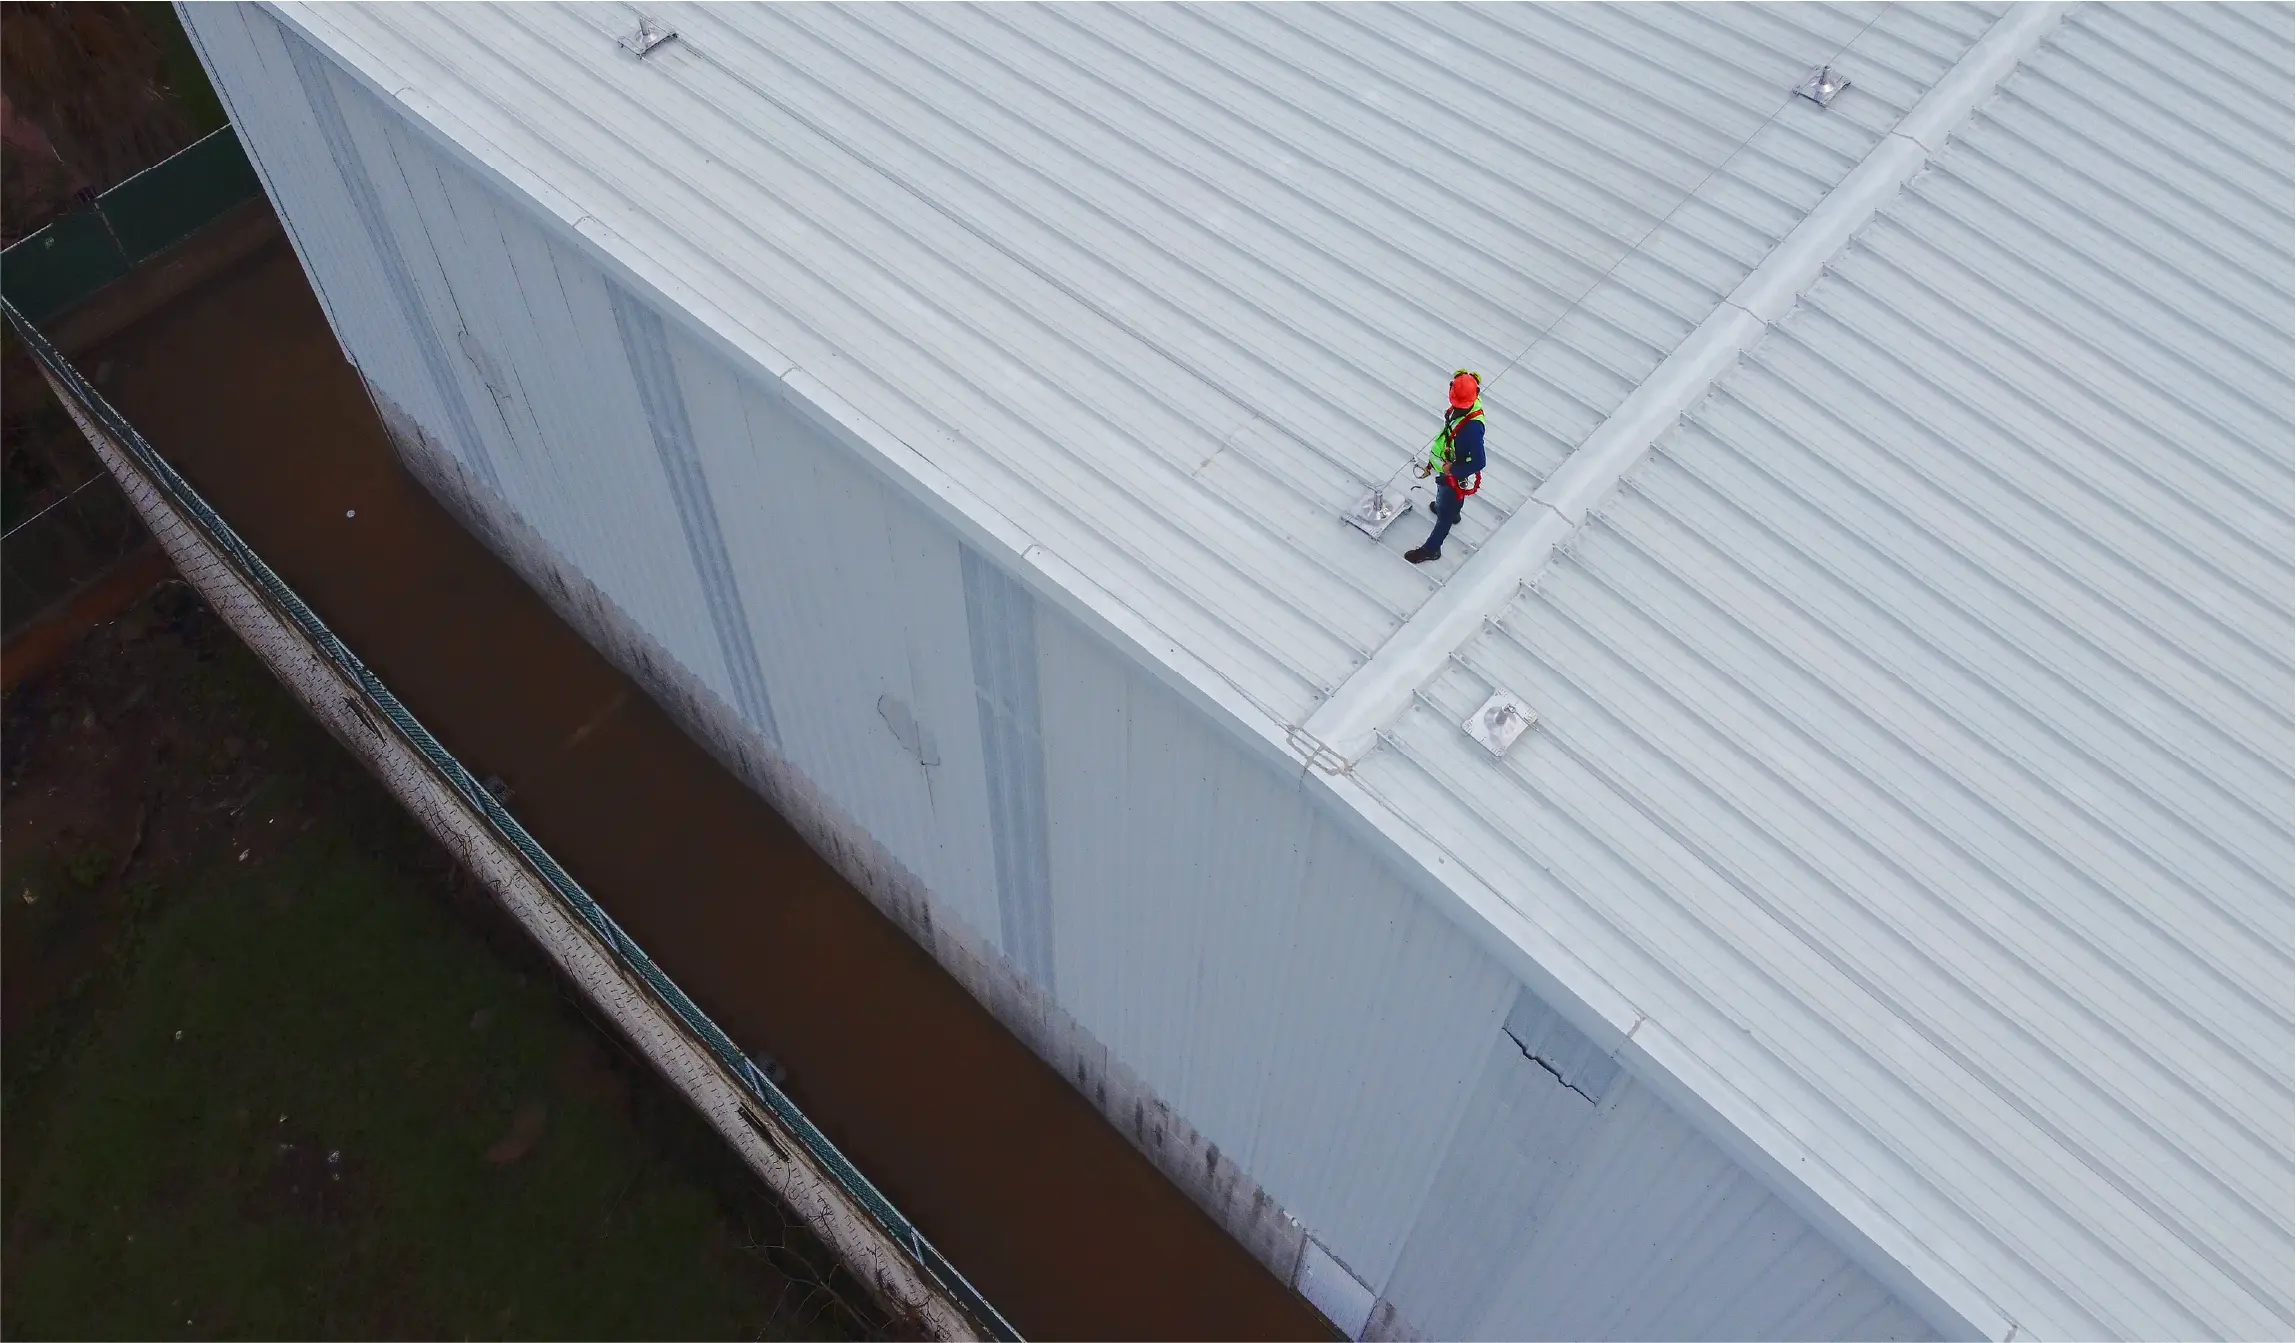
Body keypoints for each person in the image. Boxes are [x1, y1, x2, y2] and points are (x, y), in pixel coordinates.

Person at [1406, 370, 1486, 564]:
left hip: (1453, 474)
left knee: (1445, 515)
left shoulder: (1472, 428)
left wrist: (1454, 471)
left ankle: (1431, 549)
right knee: (1448, 500)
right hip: (1451, 468)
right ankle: (1453, 513)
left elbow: (1479, 462)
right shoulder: (1467, 406)